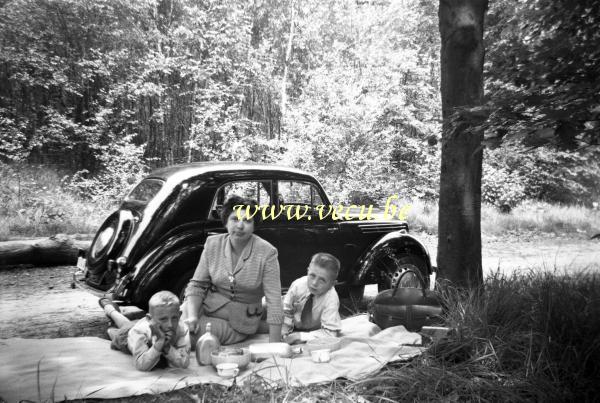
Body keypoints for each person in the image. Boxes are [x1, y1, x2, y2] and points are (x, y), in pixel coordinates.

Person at [181, 195, 283, 345]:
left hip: (240, 321)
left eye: (247, 221)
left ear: (254, 226)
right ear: (226, 222)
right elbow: (197, 285)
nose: (240, 225)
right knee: (170, 321)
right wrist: (193, 316)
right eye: (235, 219)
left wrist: (275, 345)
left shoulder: (267, 252)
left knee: (183, 336)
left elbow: (274, 301)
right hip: (206, 306)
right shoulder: (212, 244)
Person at [99, 291, 190, 371]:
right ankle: (109, 308)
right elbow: (142, 365)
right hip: (128, 336)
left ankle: (112, 310)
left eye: (174, 318)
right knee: (118, 333)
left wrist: (167, 347)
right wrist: (159, 342)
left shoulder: (182, 328)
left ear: (179, 315)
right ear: (150, 319)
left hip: (142, 328)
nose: (170, 325)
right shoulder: (138, 331)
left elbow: (184, 363)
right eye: (163, 319)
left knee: (127, 323)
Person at [281, 252, 342, 344]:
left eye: (322, 280)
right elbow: (287, 309)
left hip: (311, 328)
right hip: (290, 319)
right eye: (312, 276)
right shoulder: (298, 285)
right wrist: (284, 329)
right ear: (308, 271)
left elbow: (331, 333)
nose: (314, 283)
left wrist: (300, 336)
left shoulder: (331, 298)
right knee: (262, 310)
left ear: (332, 284)